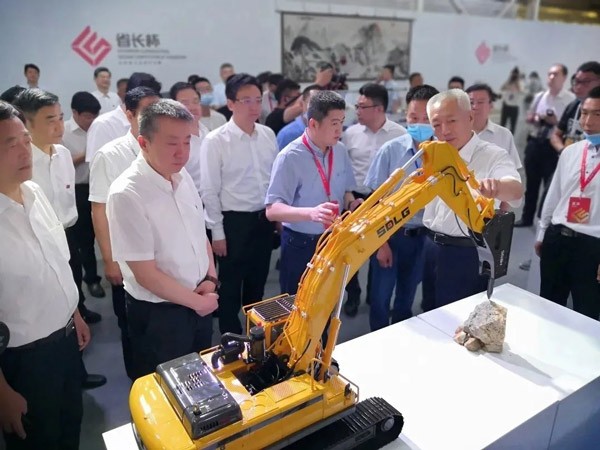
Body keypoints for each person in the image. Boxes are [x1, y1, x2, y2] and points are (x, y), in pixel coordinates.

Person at [0, 100, 90, 450]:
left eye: (25, 140)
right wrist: (2, 392)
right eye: (10, 144)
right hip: (23, 362)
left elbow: (56, 263)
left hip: (65, 343)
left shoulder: (34, 192)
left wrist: (74, 313)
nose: (25, 151)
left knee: (70, 428)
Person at [107, 99, 218, 380]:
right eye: (171, 143)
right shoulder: (127, 193)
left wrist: (211, 278)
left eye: (187, 142)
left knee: (201, 380)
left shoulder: (181, 176)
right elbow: (145, 275)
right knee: (168, 388)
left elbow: (199, 234)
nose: (182, 153)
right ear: (143, 143)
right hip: (160, 314)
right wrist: (198, 303)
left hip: (199, 297)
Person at [422, 89, 523, 310]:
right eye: (436, 124)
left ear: (469, 117)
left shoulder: (493, 155)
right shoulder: (432, 154)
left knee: (461, 316)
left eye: (451, 121)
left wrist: (498, 187)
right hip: (431, 247)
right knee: (428, 310)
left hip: (467, 252)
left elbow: (516, 190)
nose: (444, 130)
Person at [89, 86, 159, 380]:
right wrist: (109, 260)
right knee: (132, 326)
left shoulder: (162, 148)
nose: (154, 117)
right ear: (129, 114)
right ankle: (139, 382)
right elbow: (99, 209)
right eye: (146, 112)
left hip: (158, 251)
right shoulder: (110, 154)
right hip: (126, 255)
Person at [200, 74, 278, 335]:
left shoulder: (267, 134)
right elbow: (209, 190)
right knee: (230, 285)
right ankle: (231, 338)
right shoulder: (216, 140)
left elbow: (273, 180)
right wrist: (217, 232)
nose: (254, 106)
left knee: (258, 282)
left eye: (258, 99)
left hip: (263, 219)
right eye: (246, 100)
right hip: (233, 223)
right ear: (231, 103)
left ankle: (255, 337)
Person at [265, 90, 360, 296]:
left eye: (342, 122)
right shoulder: (290, 156)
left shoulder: (340, 150)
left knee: (328, 299)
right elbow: (272, 210)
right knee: (297, 302)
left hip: (332, 240)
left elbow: (346, 190)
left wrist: (352, 203)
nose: (340, 129)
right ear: (313, 124)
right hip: (300, 242)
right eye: (334, 123)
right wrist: (311, 213)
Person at [365, 84, 439, 331]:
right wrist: (381, 244)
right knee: (380, 298)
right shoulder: (390, 151)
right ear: (405, 116)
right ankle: (377, 340)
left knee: (407, 298)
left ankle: (401, 340)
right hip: (390, 235)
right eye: (413, 117)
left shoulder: (443, 154)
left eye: (426, 119)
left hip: (423, 237)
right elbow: (373, 203)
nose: (419, 124)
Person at [535, 86, 600, 320]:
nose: (588, 121)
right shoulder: (571, 152)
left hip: (592, 248)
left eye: (597, 114)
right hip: (558, 239)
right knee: (548, 310)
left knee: (587, 316)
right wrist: (543, 233)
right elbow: (554, 195)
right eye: (584, 113)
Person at [342, 83, 406, 316]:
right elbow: (343, 168)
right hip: (355, 200)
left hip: (384, 200)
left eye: (362, 106)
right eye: (357, 105)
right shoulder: (350, 134)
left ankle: (374, 293)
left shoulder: (400, 134)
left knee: (380, 247)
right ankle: (352, 294)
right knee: (350, 252)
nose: (357, 110)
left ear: (378, 108)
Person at [516, 64, 575, 227]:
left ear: (564, 77)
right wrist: (537, 118)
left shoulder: (570, 100)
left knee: (551, 186)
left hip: (554, 147)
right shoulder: (540, 96)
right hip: (535, 142)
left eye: (555, 74)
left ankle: (545, 221)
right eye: (549, 74)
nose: (551, 77)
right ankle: (527, 218)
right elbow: (530, 116)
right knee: (531, 184)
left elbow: (570, 125)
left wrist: (556, 121)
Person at [62, 92, 105, 300]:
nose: (91, 121)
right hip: (77, 189)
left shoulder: (100, 128)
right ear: (75, 113)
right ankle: (92, 279)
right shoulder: (64, 132)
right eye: (87, 116)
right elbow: (61, 164)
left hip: (101, 186)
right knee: (84, 239)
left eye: (94, 116)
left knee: (106, 233)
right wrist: (87, 152)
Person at [85, 72, 162, 163]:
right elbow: (95, 164)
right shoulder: (103, 125)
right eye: (148, 106)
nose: (152, 112)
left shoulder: (157, 123)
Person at [466, 83, 522, 170]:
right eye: (471, 102)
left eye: (480, 102)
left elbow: (513, 169)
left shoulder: (504, 135)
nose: (475, 106)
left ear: (491, 105)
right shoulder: (456, 134)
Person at [169, 81, 210, 196]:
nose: (192, 107)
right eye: (185, 103)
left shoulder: (206, 131)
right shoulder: (172, 141)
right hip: (190, 198)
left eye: (196, 102)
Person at [550, 61, 600, 153]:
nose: (578, 86)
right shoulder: (573, 105)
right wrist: (564, 152)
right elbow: (555, 135)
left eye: (586, 82)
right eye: (576, 81)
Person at [276, 84, 322, 151]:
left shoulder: (329, 131)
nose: (317, 109)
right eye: (312, 104)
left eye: (321, 105)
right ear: (302, 104)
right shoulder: (287, 134)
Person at [499, 67, 522, 134]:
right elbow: (502, 88)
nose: (514, 75)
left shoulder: (520, 83)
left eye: (515, 74)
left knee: (512, 127)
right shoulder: (508, 82)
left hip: (514, 106)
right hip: (506, 105)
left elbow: (521, 90)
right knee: (502, 124)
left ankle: (510, 139)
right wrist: (509, 81)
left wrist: (517, 81)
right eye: (513, 73)